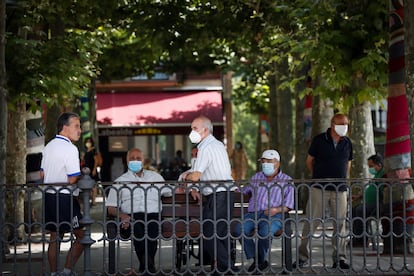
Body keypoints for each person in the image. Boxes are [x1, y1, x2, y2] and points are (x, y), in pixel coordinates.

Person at [294, 113, 353, 270]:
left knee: (340, 224)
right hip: (319, 188)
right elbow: (309, 161)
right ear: (333, 124)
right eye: (342, 124)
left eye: (346, 124)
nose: (344, 127)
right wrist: (318, 177)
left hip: (340, 189)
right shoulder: (319, 140)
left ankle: (339, 258)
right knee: (311, 221)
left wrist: (344, 179)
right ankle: (302, 256)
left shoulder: (347, 142)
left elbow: (348, 163)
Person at [181, 115, 235, 275]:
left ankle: (227, 268)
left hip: (218, 195)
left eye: (194, 128)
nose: (192, 132)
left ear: (205, 130)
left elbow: (196, 176)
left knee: (209, 233)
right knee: (221, 234)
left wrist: (185, 177)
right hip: (227, 193)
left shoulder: (205, 147)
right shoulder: (217, 144)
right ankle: (226, 268)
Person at [106, 148, 172, 275]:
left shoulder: (156, 177)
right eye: (132, 158)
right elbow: (111, 207)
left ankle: (145, 267)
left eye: (138, 158)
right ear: (127, 161)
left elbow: (171, 191)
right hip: (132, 217)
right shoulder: (120, 181)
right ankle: (148, 267)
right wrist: (123, 216)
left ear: (143, 160)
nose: (135, 161)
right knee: (138, 231)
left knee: (152, 231)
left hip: (154, 216)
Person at [234, 149, 294, 273]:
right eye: (263, 161)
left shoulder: (287, 180)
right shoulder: (257, 177)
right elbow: (244, 191)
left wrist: (276, 210)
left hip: (275, 215)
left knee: (265, 231)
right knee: (239, 229)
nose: (265, 164)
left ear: (277, 163)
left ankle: (258, 263)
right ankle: (259, 260)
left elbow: (289, 205)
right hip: (253, 214)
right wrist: (233, 188)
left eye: (269, 161)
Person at [40, 112, 85, 276]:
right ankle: (66, 271)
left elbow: (42, 175)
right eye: (76, 126)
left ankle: (53, 273)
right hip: (65, 197)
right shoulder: (71, 148)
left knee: (54, 237)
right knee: (82, 237)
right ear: (65, 127)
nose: (79, 130)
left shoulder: (48, 146)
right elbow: (73, 178)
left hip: (49, 196)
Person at [352, 154, 384, 246]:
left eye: (371, 166)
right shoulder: (377, 175)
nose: (370, 168)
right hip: (370, 203)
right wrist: (358, 196)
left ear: (379, 165)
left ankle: (361, 240)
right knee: (354, 210)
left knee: (360, 210)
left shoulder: (383, 174)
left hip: (378, 204)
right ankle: (357, 237)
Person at [82, 137, 102, 206]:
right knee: (89, 186)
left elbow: (96, 161)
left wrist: (94, 169)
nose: (88, 143)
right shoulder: (86, 151)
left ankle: (94, 201)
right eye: (87, 141)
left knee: (94, 186)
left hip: (92, 170)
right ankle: (91, 200)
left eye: (89, 141)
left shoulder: (93, 150)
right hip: (87, 171)